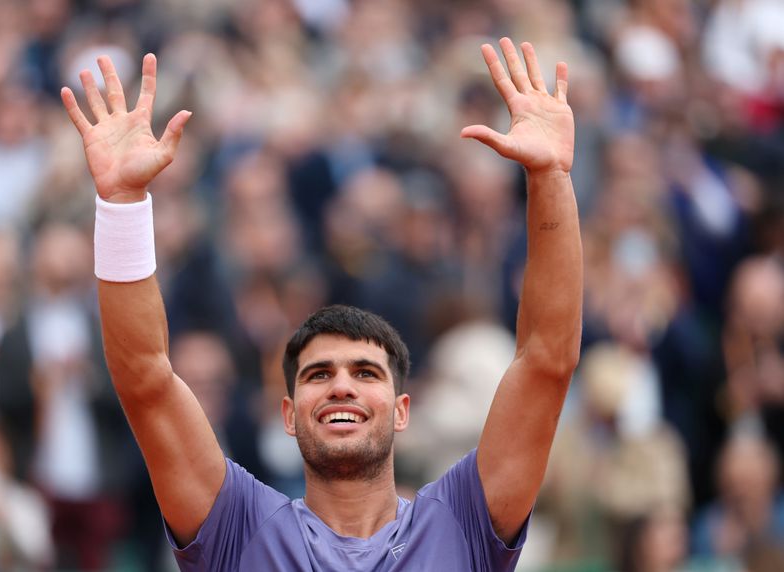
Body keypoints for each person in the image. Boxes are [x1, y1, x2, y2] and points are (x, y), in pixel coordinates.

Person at [60, 37, 582, 571]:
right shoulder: (237, 525)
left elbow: (546, 360)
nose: (341, 386)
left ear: (403, 410)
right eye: (318, 374)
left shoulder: (462, 521)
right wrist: (122, 203)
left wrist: (551, 179)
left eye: (366, 372)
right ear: (288, 414)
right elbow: (145, 377)